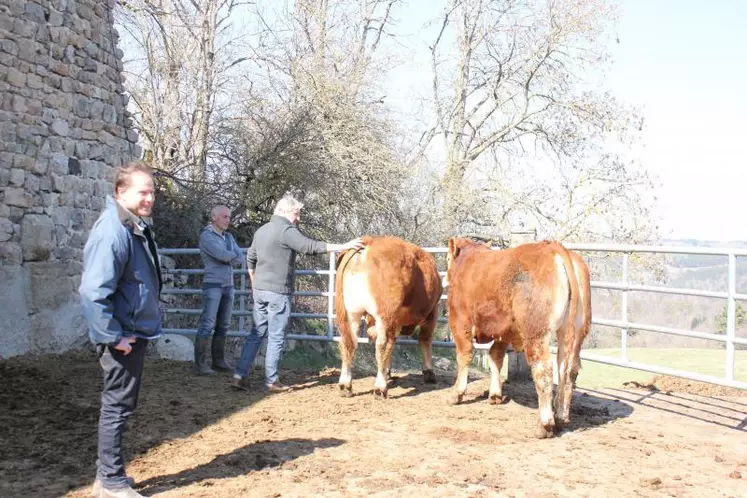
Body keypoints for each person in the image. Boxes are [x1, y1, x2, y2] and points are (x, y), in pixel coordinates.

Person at [79, 162, 162, 498]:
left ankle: (109, 476)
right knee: (116, 406)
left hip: (131, 331)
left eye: (152, 191)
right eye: (142, 191)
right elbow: (93, 291)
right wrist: (113, 336)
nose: (149, 198)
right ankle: (110, 482)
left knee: (121, 405)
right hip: (122, 336)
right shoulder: (113, 230)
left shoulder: (131, 226)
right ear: (120, 192)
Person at [231, 194, 365, 393]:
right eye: (297, 213)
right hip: (278, 292)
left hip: (260, 291)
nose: (298, 218)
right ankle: (272, 380)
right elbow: (310, 247)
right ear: (285, 212)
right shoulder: (286, 230)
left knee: (256, 333)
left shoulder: (262, 230)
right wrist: (343, 246)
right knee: (276, 336)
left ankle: (240, 375)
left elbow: (250, 258)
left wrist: (254, 284)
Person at [194, 205, 244, 375]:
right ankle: (200, 364)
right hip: (213, 285)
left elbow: (240, 257)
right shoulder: (207, 237)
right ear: (214, 217)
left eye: (229, 217)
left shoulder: (228, 237)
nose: (228, 220)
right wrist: (230, 256)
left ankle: (218, 361)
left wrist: (228, 256)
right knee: (207, 324)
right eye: (225, 217)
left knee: (223, 325)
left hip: (228, 286)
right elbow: (224, 256)